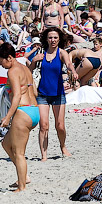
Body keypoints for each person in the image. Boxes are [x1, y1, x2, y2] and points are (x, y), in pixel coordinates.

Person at [29, 27, 77, 160]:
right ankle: (44, 155)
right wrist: (34, 61)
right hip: (42, 94)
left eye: (55, 37)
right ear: (46, 39)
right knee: (44, 126)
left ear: (59, 39)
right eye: (50, 37)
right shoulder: (41, 53)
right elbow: (29, 71)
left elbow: (68, 64)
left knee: (60, 126)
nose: (53, 40)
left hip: (58, 94)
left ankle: (63, 146)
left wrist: (72, 71)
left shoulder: (62, 53)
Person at [0, 43, 37, 192]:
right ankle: (23, 177)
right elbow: (34, 91)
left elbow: (17, 95)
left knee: (19, 153)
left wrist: (7, 117)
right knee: (6, 144)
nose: (1, 65)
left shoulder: (12, 71)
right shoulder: (25, 68)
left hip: (22, 112)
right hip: (34, 111)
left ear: (10, 57)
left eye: (1, 62)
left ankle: (22, 186)